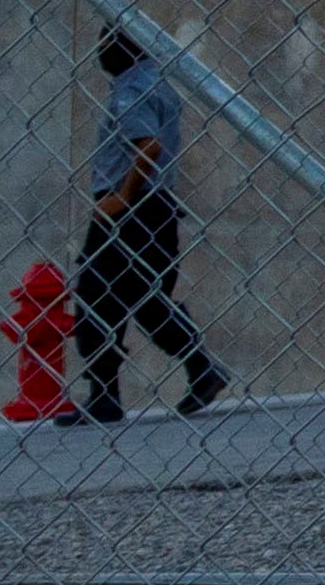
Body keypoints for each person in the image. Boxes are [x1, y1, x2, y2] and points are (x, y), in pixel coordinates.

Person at [76, 30, 230, 419]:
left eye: (105, 45)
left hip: (129, 212)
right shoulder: (160, 84)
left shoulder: (131, 88)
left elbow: (149, 145)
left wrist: (122, 197)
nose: (100, 53)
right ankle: (199, 366)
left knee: (96, 294)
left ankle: (105, 394)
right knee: (146, 299)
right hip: (157, 209)